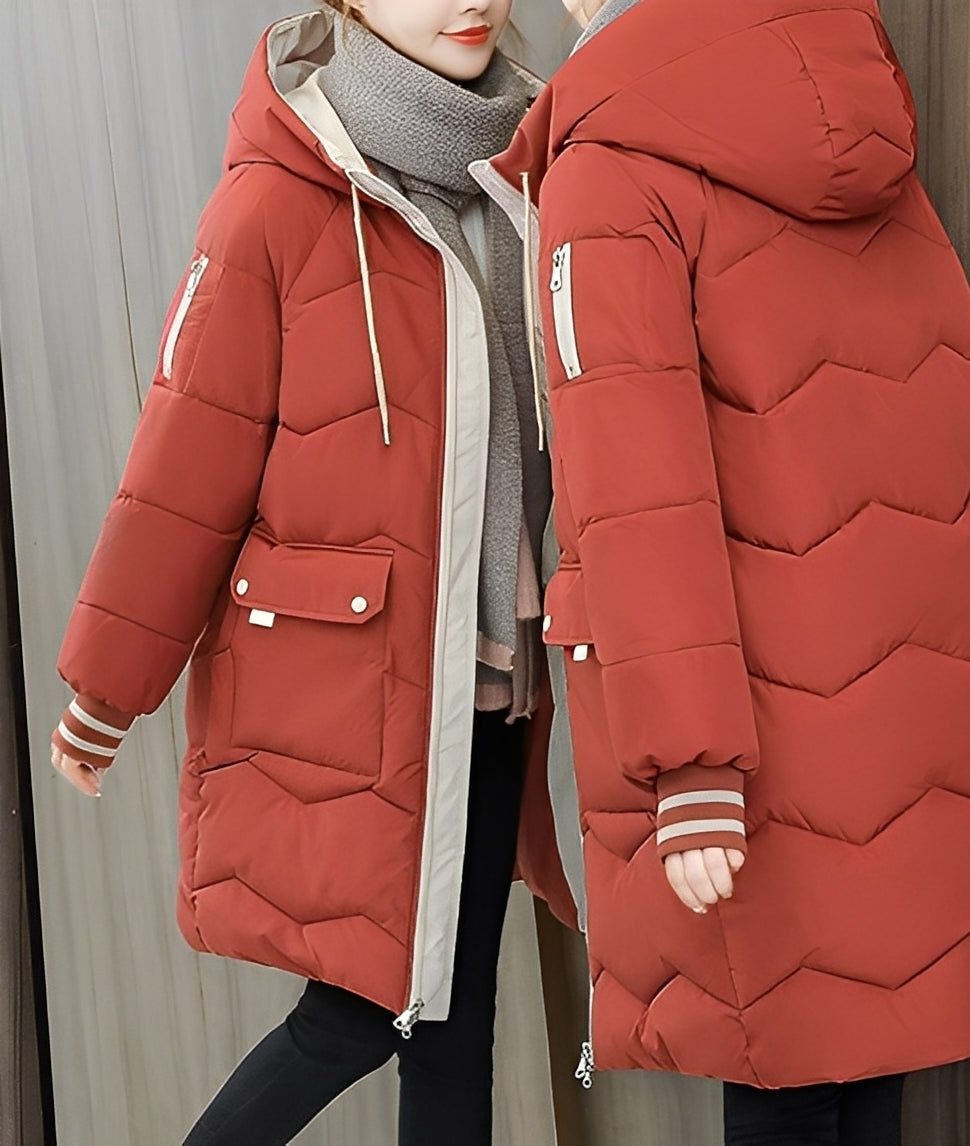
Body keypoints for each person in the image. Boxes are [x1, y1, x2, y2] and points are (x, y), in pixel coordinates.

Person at [473, 0, 970, 1143]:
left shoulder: (610, 166)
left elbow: (635, 493)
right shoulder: (844, 95)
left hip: (748, 731)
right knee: (862, 1052)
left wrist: (689, 763)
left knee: (787, 1071)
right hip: (902, 709)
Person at [48, 2, 575, 1143]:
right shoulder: (278, 199)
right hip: (355, 695)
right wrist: (106, 690)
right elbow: (187, 461)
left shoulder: (539, 171)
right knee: (357, 1015)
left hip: (494, 685)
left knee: (454, 1027)